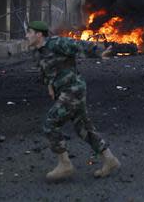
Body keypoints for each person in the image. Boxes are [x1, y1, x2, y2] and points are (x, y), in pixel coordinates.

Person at [26, 21, 120, 182]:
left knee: (50, 124)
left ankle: (65, 165)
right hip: (65, 91)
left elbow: (78, 45)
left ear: (39, 34)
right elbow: (46, 71)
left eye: (29, 32)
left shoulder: (57, 43)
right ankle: (110, 160)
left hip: (73, 90)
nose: (26, 36)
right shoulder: (38, 52)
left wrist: (99, 52)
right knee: (83, 128)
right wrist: (49, 86)